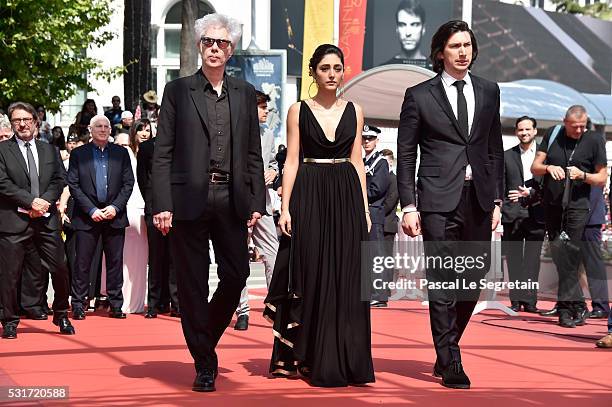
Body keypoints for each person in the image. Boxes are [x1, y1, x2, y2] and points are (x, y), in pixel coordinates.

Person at [151, 13, 266, 392]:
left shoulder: (245, 93)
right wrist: (162, 203)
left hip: (231, 197)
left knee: (235, 277)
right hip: (187, 200)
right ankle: (205, 363)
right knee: (192, 284)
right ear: (199, 47)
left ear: (231, 50)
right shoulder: (178, 91)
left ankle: (203, 341)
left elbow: (252, 152)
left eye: (222, 43)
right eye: (208, 42)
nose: (214, 48)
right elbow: (162, 151)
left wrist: (256, 201)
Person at [397, 20, 504, 389]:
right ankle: (450, 359)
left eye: (467, 45)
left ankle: (448, 344)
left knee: (472, 279)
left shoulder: (490, 91)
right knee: (442, 280)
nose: (463, 52)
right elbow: (406, 153)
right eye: (455, 46)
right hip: (437, 200)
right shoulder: (420, 94)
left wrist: (497, 201)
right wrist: (408, 205)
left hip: (478, 200)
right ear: (440, 51)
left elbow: (494, 149)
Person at [264, 44, 375, 387]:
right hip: (309, 194)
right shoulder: (298, 110)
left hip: (345, 195)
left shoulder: (355, 110)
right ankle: (307, 354)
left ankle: (345, 358)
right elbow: (292, 160)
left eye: (337, 68)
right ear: (313, 72)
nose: (331, 74)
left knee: (345, 277)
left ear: (344, 72)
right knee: (309, 272)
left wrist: (365, 209)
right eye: (324, 68)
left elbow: (357, 161)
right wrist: (285, 207)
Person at [0, 102, 75, 339]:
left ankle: (61, 314)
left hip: (46, 220)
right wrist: (30, 201)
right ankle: (10, 321)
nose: (22, 124)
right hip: (14, 220)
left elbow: (58, 179)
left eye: (26, 119)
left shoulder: (49, 150)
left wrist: (43, 202)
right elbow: (3, 183)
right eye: (16, 121)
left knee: (61, 267)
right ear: (11, 124)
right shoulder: (2, 150)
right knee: (10, 274)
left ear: (35, 121)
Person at [531, 105, 607, 328]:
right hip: (552, 204)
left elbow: (602, 177)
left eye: (583, 126)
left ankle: (566, 309)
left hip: (578, 206)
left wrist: (583, 175)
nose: (579, 130)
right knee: (558, 253)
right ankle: (578, 304)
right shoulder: (553, 133)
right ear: (564, 122)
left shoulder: (594, 139)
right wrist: (549, 168)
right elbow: (535, 166)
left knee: (569, 253)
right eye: (574, 127)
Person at [67, 114, 134, 320]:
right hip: (88, 217)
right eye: (99, 126)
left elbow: (128, 183)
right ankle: (78, 304)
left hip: (115, 215)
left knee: (115, 262)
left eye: (106, 126)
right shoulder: (79, 154)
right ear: (90, 129)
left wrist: (115, 206)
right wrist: (91, 210)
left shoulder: (120, 153)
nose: (103, 129)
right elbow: (74, 185)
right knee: (83, 263)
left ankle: (115, 305)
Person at [234, 90, 280, 331]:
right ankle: (242, 310)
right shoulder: (234, 134)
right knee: (239, 256)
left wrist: (273, 172)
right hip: (238, 202)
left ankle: (273, 306)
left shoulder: (269, 134)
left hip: (263, 201)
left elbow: (272, 162)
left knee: (273, 252)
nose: (266, 112)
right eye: (262, 108)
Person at [501, 116, 545, 313]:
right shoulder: (507, 155)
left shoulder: (545, 156)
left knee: (532, 260)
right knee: (514, 259)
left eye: (528, 129)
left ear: (535, 131)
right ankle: (516, 300)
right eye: (521, 130)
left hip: (536, 214)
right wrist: (501, 203)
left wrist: (532, 194)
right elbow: (499, 184)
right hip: (512, 214)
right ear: (516, 132)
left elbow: (548, 185)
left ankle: (530, 301)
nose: (524, 133)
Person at [137, 125, 179, 319]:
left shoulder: (182, 146)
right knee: (155, 258)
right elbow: (142, 179)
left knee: (175, 258)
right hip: (153, 208)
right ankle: (154, 303)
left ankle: (176, 303)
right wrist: (152, 204)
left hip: (178, 209)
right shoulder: (147, 148)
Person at [362, 125, 391, 307]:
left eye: (370, 138)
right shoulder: (363, 161)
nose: (366, 141)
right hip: (364, 211)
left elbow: (377, 189)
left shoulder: (380, 162)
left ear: (377, 140)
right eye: (364, 138)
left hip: (373, 211)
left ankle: (379, 295)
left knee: (376, 255)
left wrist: (356, 193)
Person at [384, 0, 429, 68]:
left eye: (414, 25)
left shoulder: (436, 71)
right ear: (397, 29)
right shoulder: (383, 70)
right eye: (402, 25)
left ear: (423, 29)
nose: (408, 33)